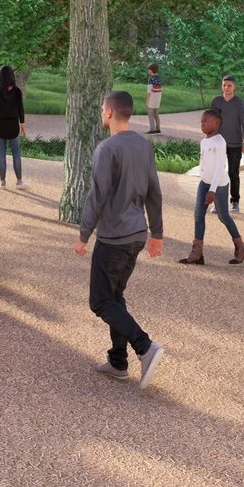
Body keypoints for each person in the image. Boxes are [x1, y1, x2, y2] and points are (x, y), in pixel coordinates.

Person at [76, 90, 165, 386]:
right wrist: (157, 233)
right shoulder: (144, 146)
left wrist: (84, 234)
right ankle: (118, 361)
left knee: (100, 301)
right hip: (136, 235)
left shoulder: (107, 148)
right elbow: (154, 191)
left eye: (103, 108)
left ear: (109, 112)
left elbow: (97, 195)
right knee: (114, 296)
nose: (102, 112)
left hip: (114, 237)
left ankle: (144, 346)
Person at [180, 110, 244, 265]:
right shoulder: (204, 141)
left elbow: (220, 167)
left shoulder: (219, 142)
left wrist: (212, 190)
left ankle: (241, 247)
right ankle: (197, 253)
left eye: (205, 121)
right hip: (204, 183)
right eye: (201, 121)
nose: (202, 124)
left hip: (219, 185)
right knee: (198, 215)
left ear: (216, 123)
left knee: (223, 216)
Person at [205, 77, 244, 211]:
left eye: (229, 85)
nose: (226, 88)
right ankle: (217, 202)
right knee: (216, 172)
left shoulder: (240, 103)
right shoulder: (216, 101)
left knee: (233, 173)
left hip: (235, 143)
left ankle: (235, 201)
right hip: (218, 143)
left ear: (234, 87)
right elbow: (211, 120)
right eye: (224, 85)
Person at [0, 65, 27, 191]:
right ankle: (19, 182)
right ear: (12, 76)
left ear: (0, 77)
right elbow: (20, 109)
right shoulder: (17, 92)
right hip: (13, 126)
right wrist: (22, 125)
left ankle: (2, 182)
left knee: (1, 155)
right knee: (16, 155)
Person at [145, 64, 164, 134]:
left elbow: (149, 92)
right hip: (158, 98)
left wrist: (147, 102)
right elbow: (161, 89)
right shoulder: (159, 78)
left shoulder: (151, 79)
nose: (148, 71)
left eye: (149, 69)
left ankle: (152, 129)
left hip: (152, 99)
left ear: (151, 70)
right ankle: (158, 129)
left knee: (150, 114)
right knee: (156, 114)